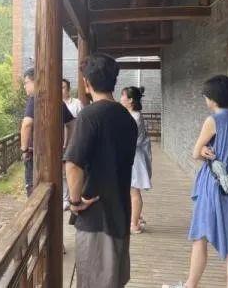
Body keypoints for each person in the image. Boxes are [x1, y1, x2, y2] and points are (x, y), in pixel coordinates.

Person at [164, 75, 228, 288]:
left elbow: (196, 153)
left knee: (200, 237)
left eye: (206, 96)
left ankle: (190, 285)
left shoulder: (212, 120)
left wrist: (203, 149)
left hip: (213, 187)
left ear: (212, 98)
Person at [64, 53, 138, 288]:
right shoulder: (127, 118)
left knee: (94, 281)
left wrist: (75, 201)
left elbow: (73, 164)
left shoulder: (89, 115)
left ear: (86, 82)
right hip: (120, 212)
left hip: (96, 216)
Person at [20, 68, 74, 197]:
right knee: (53, 185)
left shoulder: (34, 99)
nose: (24, 86)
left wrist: (24, 149)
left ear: (34, 81)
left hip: (35, 154)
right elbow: (72, 124)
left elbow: (26, 124)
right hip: (55, 152)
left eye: (26, 82)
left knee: (33, 189)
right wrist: (67, 145)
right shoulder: (57, 100)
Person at [120, 86, 152, 234]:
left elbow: (130, 141)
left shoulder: (135, 117)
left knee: (134, 191)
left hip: (135, 158)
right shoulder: (132, 115)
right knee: (131, 190)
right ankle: (136, 218)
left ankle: (134, 224)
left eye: (123, 95)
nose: (121, 98)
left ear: (131, 100)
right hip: (133, 156)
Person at [62, 78, 83, 210]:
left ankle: (72, 197)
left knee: (72, 168)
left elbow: (81, 122)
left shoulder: (76, 103)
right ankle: (65, 198)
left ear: (68, 89)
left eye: (63, 87)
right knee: (63, 172)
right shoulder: (55, 103)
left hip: (73, 142)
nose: (61, 90)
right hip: (60, 144)